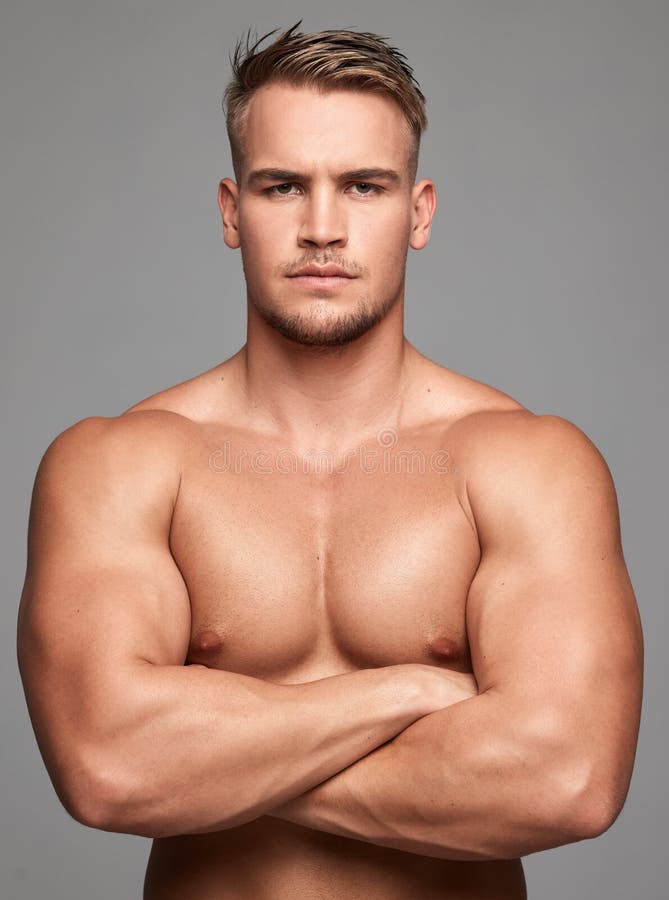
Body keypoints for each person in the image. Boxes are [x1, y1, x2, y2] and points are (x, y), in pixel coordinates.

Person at [17, 22, 643, 900]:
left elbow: (566, 781)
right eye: (282, 186)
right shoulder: (120, 465)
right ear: (233, 212)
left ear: (416, 212)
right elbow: (107, 767)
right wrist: (414, 692)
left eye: (362, 186)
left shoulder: (528, 465)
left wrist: (213, 764)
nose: (321, 228)